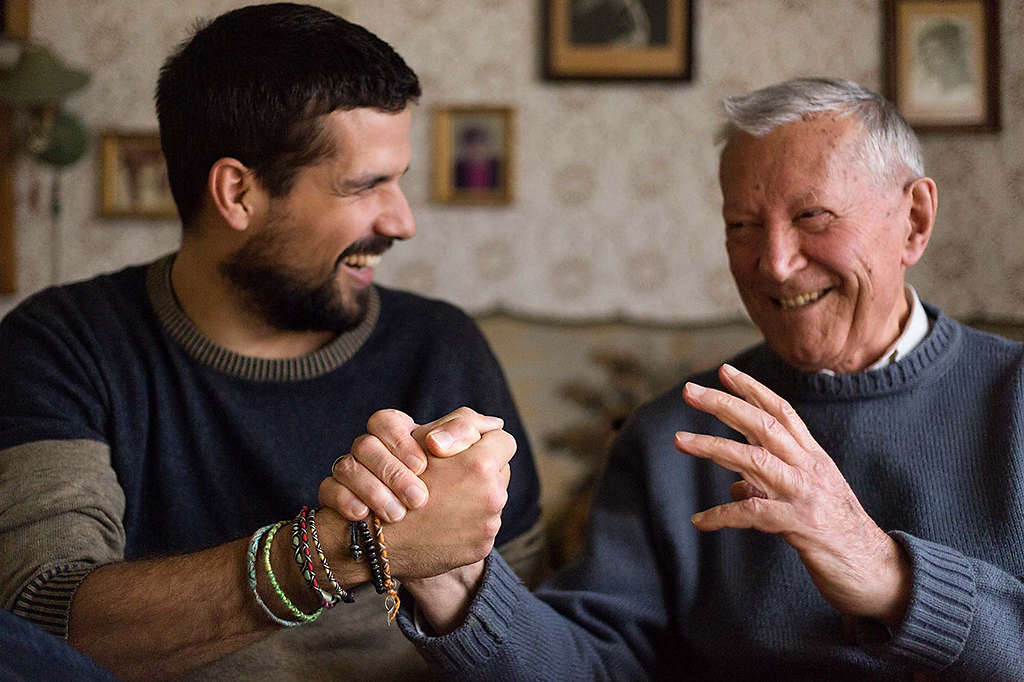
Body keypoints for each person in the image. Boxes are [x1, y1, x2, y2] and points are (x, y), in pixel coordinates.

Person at [325, 78, 1024, 679]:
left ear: (915, 220)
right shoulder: (674, 433)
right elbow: (600, 665)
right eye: (742, 226)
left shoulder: (1014, 398)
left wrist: (891, 578)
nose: (774, 263)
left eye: (813, 217)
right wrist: (457, 585)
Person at [0, 4, 544, 680]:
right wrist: (348, 547)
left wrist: (451, 576)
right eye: (366, 185)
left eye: (398, 180)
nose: (402, 221)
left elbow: (539, 643)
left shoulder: (441, 346)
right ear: (237, 193)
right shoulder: (59, 345)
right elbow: (38, 622)